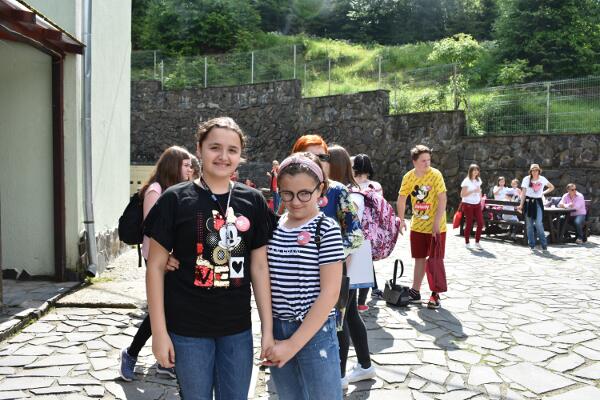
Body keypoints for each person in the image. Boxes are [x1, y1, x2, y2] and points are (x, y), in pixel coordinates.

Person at [144, 117, 274, 400]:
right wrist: (159, 332)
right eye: (215, 147)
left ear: (240, 155)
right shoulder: (175, 199)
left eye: (232, 150)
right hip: (187, 330)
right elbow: (154, 267)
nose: (223, 156)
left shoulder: (253, 201)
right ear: (199, 149)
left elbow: (260, 267)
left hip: (237, 329)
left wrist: (268, 329)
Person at [289, 135, 367, 389]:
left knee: (336, 326)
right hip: (294, 276)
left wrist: (327, 254)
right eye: (309, 156)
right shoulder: (288, 188)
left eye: (323, 157)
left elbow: (355, 235)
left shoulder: (337, 191)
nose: (317, 161)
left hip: (330, 276)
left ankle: (336, 378)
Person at [265, 152, 344, 400]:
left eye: (304, 194)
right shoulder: (274, 228)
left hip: (315, 331)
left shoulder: (326, 229)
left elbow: (330, 292)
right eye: (287, 194)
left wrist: (293, 343)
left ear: (320, 189)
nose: (296, 201)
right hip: (278, 328)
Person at [119, 145, 193, 381]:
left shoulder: (176, 190)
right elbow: (151, 233)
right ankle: (131, 354)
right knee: (159, 310)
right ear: (173, 166)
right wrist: (164, 258)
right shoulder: (155, 190)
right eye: (186, 165)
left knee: (168, 309)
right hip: (158, 261)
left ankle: (164, 362)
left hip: (172, 260)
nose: (190, 169)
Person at [327, 145, 376, 389]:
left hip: (346, 263)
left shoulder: (346, 194)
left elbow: (350, 233)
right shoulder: (351, 191)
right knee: (351, 314)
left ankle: (340, 375)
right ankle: (365, 365)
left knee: (342, 318)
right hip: (351, 262)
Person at [397, 145, 447, 310]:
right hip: (418, 226)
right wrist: (401, 219)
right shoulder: (408, 177)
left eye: (429, 160)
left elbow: (443, 199)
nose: (427, 163)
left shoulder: (435, 174)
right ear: (414, 162)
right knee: (419, 259)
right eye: (423, 160)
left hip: (436, 226)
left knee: (435, 260)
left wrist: (436, 222)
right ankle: (415, 292)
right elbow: (401, 199)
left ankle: (435, 294)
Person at [352, 153, 384, 307]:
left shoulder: (350, 186)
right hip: (370, 231)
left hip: (353, 230)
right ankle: (361, 302)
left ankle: (351, 302)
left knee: (351, 266)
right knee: (366, 266)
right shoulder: (376, 186)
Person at [517, 163, 555, 252]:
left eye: (536, 170)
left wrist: (543, 193)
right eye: (533, 170)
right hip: (528, 202)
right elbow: (523, 193)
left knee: (538, 223)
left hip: (538, 202)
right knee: (529, 225)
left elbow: (551, 187)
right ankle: (531, 245)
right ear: (530, 171)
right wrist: (521, 205)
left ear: (539, 171)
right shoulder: (526, 179)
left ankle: (544, 245)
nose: (534, 172)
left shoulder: (542, 179)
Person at [460, 164, 484, 250]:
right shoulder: (466, 181)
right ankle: (467, 242)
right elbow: (462, 195)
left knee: (480, 223)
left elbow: (479, 191)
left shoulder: (478, 180)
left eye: (477, 170)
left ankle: (477, 242)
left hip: (477, 204)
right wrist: (473, 191)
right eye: (474, 170)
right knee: (469, 223)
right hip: (468, 204)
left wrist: (481, 200)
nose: (476, 172)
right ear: (470, 171)